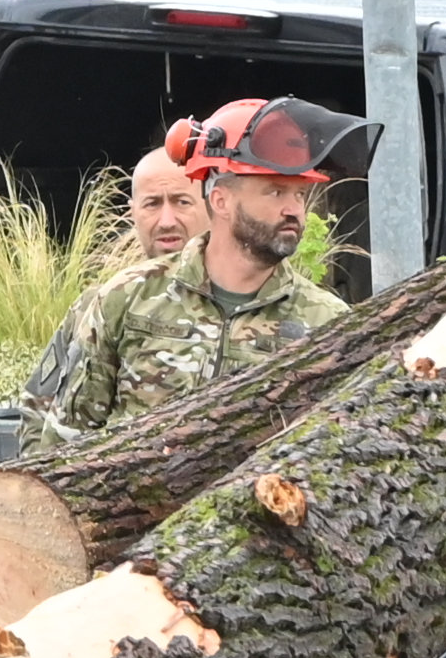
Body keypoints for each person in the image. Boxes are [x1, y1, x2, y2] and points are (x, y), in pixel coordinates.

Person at [36, 96, 364, 436]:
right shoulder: (129, 298)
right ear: (221, 200)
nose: (293, 210)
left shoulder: (326, 323)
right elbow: (65, 441)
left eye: (299, 195)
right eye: (275, 192)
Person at [17, 147, 206, 414]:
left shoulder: (246, 304)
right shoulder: (102, 305)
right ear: (132, 213)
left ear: (213, 204)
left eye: (182, 202)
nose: (166, 221)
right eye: (152, 204)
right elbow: (36, 410)